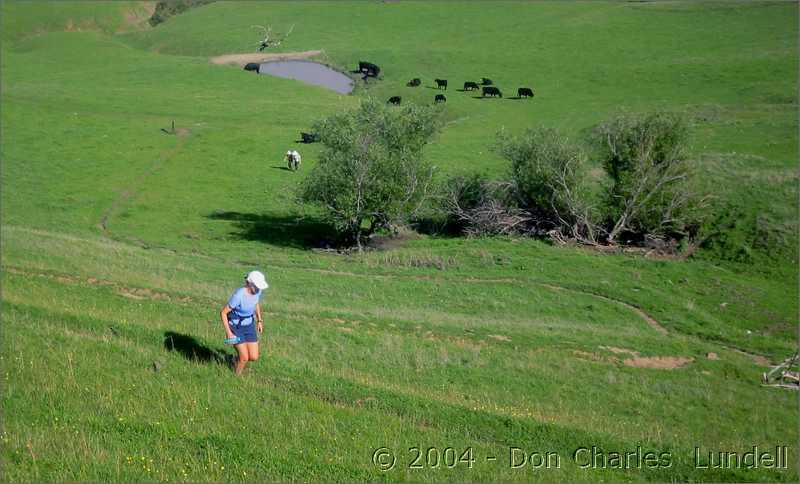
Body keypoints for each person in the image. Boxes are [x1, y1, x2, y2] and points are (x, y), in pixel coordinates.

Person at [221, 270, 268, 375]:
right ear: (250, 284)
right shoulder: (239, 295)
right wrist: (229, 333)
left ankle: (233, 359)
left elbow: (256, 303)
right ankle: (235, 377)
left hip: (249, 326)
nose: (259, 289)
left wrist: (259, 320)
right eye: (257, 286)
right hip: (235, 327)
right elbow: (223, 313)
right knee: (244, 358)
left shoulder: (258, 291)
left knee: (254, 356)